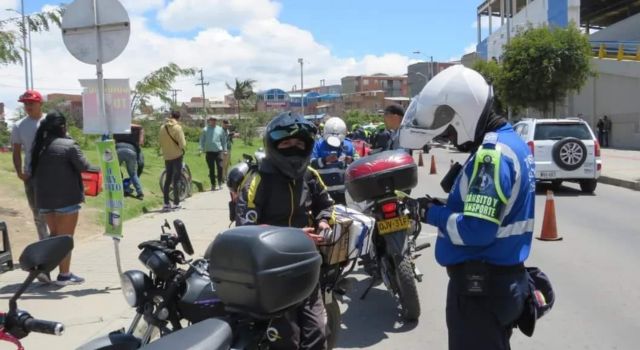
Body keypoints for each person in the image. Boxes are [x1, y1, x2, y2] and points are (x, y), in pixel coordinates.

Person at [399, 65, 535, 350]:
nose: (449, 139)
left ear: (462, 116)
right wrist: (445, 205)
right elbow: (491, 211)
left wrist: (430, 213)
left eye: (448, 132)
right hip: (500, 282)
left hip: (481, 292)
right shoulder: (512, 144)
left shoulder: (492, 157)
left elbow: (477, 231)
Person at [235, 111, 334, 350]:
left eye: (299, 143)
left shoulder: (310, 176)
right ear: (274, 145)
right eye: (286, 143)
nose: (293, 148)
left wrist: (323, 222)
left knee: (319, 333)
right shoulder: (257, 180)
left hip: (307, 265)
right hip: (272, 274)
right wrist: (294, 236)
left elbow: (327, 205)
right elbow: (246, 228)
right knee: (287, 340)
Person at [30, 112, 95, 285]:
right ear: (63, 127)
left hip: (44, 201)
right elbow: (84, 166)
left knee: (55, 236)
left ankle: (44, 269)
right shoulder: (69, 144)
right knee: (65, 239)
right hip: (66, 200)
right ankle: (63, 275)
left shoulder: (39, 146)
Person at [10, 90, 49, 245]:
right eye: (25, 104)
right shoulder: (19, 126)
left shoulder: (50, 121)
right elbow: (16, 151)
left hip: (52, 173)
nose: (28, 106)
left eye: (31, 103)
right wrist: (20, 172)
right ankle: (44, 243)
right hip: (31, 174)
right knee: (37, 212)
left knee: (55, 210)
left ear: (40, 104)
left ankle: (58, 243)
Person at [311, 117, 358, 205]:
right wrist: (325, 160)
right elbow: (310, 164)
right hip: (322, 192)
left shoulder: (349, 145)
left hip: (342, 193)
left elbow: (358, 162)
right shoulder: (317, 145)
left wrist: (351, 160)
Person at [159, 110, 186, 211]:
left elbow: (160, 142)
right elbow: (182, 144)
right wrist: (182, 149)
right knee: (176, 179)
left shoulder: (162, 127)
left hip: (167, 156)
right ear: (178, 118)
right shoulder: (177, 128)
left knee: (168, 179)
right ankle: (176, 203)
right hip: (177, 156)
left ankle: (166, 203)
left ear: (170, 116)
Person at [199, 117, 227, 191]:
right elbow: (202, 140)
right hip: (209, 152)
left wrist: (225, 150)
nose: (214, 122)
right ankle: (213, 184)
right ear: (209, 121)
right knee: (211, 169)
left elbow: (224, 141)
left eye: (215, 120)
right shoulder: (205, 130)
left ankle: (220, 182)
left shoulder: (220, 129)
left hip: (218, 151)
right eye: (212, 120)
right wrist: (201, 149)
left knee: (220, 167)